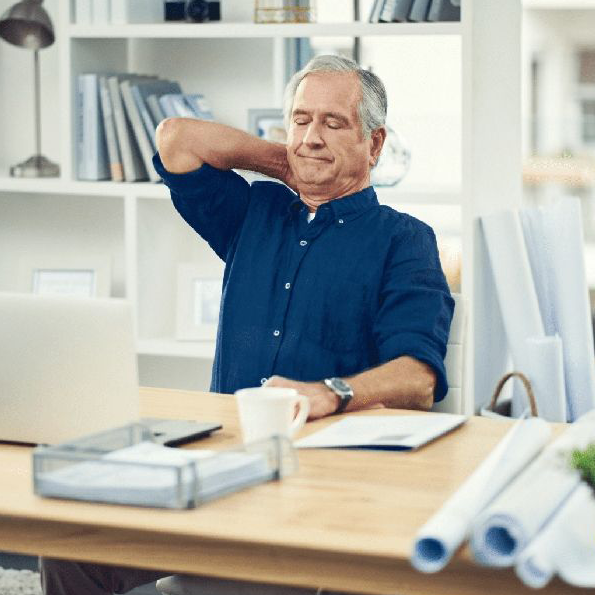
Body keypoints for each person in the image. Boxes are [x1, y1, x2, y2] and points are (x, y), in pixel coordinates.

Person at [39, 54, 453, 595]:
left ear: (373, 145)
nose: (312, 136)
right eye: (301, 119)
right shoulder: (254, 211)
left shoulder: (405, 239)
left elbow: (418, 377)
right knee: (69, 544)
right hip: (217, 464)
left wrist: (330, 392)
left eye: (334, 123)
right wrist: (285, 160)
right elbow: (175, 139)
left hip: (320, 483)